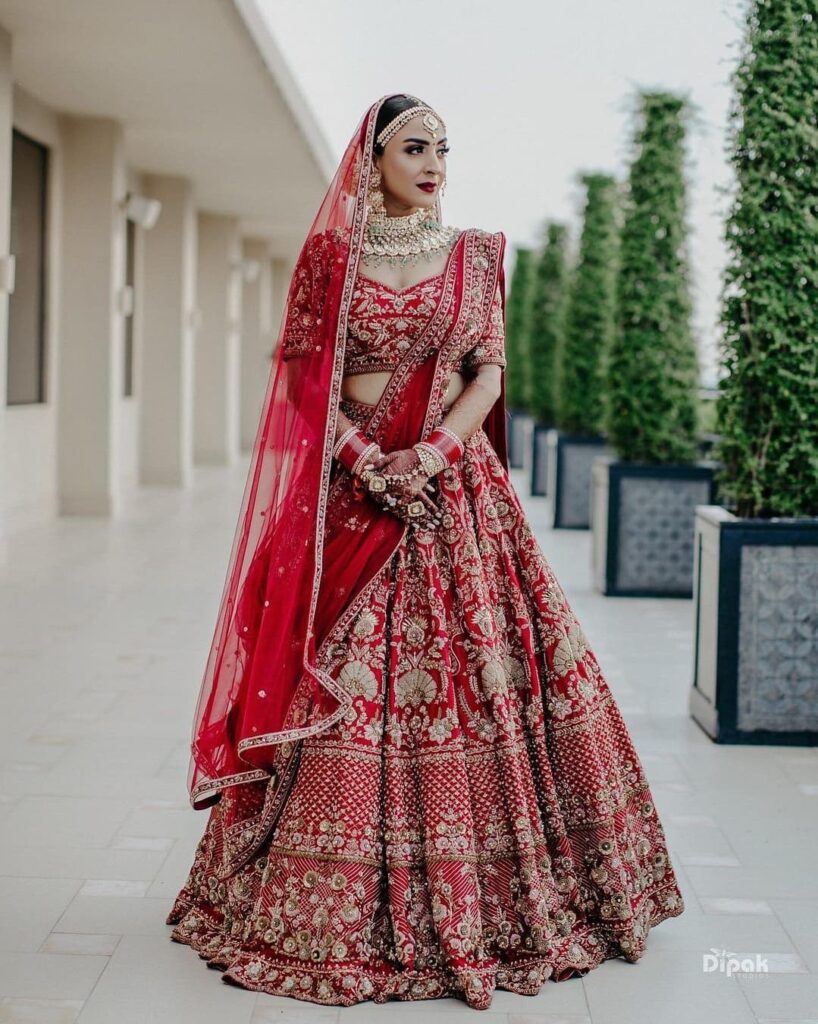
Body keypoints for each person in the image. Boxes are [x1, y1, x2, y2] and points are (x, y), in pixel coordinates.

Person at [166, 93, 685, 1010]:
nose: (435, 161)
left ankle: (508, 897)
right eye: (416, 146)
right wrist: (367, 460)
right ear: (372, 160)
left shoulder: (476, 254)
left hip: (456, 500)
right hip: (353, 502)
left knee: (486, 681)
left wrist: (437, 452)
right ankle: (311, 905)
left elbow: (489, 370)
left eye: (444, 146)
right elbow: (298, 377)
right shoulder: (332, 257)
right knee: (339, 688)